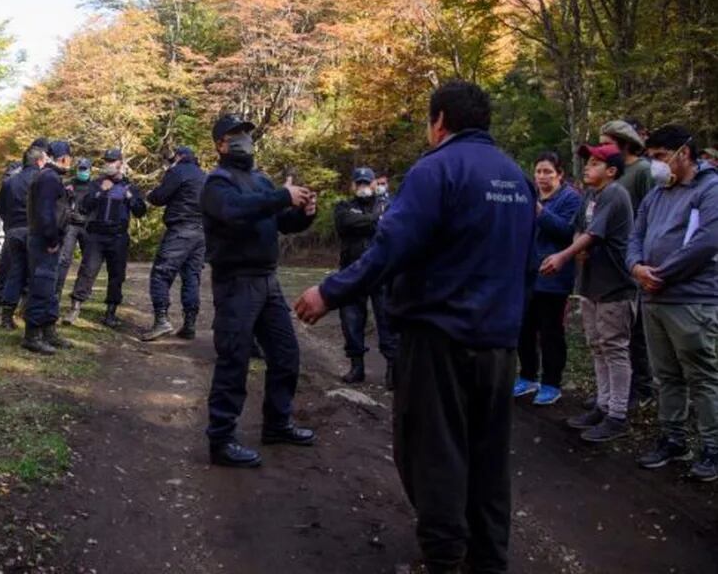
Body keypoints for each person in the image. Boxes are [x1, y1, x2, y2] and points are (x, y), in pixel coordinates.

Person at [295, 81, 535, 574]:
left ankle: (443, 559)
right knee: (489, 457)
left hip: (440, 339)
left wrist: (330, 292)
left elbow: (389, 249)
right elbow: (528, 263)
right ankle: (489, 560)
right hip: (499, 343)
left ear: (440, 120)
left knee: (433, 451)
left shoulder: (437, 170)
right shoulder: (517, 177)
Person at [203, 114, 317, 468]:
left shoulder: (260, 179)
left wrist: (304, 212)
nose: (244, 141)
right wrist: (281, 196)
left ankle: (277, 423)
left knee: (285, 354)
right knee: (234, 359)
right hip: (236, 282)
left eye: (247, 134)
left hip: (268, 281)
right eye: (236, 135)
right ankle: (221, 439)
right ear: (221, 144)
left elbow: (281, 222)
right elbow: (235, 213)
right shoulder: (216, 184)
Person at [628, 125, 718, 482]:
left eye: (660, 157)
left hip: (691, 299)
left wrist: (661, 273)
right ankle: (673, 437)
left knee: (702, 374)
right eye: (652, 159)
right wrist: (636, 267)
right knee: (666, 375)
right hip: (653, 299)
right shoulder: (656, 195)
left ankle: (712, 446)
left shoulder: (709, 190)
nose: (656, 166)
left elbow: (707, 242)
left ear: (684, 152)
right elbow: (635, 234)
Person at [541, 143, 635, 442]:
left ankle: (617, 414)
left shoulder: (615, 194)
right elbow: (578, 228)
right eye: (588, 162)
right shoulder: (590, 196)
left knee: (614, 347)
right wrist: (576, 248)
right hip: (591, 283)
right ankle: (603, 404)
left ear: (611, 171)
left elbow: (594, 234)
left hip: (615, 285)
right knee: (597, 345)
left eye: (595, 163)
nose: (587, 167)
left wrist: (564, 256)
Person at [514, 152, 582, 406]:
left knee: (551, 331)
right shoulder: (529, 197)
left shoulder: (570, 199)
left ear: (560, 174)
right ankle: (527, 375)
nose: (542, 177)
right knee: (524, 329)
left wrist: (541, 212)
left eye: (547, 172)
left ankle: (552, 382)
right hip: (527, 274)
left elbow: (568, 232)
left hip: (554, 276)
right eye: (538, 172)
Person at [603, 120, 656, 409]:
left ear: (623, 142)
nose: (603, 147)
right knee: (616, 330)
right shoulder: (613, 174)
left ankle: (643, 387)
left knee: (634, 329)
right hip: (612, 259)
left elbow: (652, 210)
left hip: (636, 256)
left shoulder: (643, 171)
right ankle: (615, 390)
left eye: (608, 141)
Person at [65, 148, 146, 328]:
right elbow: (84, 208)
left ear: (120, 163)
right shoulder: (96, 184)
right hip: (96, 235)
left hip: (118, 236)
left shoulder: (129, 186)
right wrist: (100, 192)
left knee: (117, 275)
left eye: (112, 161)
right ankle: (75, 308)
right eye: (106, 161)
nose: (109, 164)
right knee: (87, 271)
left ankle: (110, 313)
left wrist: (130, 197)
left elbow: (140, 212)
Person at [333, 166, 398, 386]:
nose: (362, 187)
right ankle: (356, 366)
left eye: (366, 182)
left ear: (373, 184)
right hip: (352, 271)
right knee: (351, 320)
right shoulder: (344, 207)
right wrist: (375, 220)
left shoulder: (387, 205)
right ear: (352, 185)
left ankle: (393, 369)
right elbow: (345, 223)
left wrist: (373, 219)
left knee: (387, 320)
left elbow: (392, 226)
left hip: (381, 273)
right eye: (358, 183)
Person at [142, 145, 206, 342]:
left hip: (180, 230)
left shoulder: (178, 172)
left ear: (179, 157)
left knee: (161, 273)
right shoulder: (205, 176)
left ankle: (161, 320)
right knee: (191, 276)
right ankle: (189, 324)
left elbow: (160, 198)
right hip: (201, 233)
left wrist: (150, 193)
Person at [22, 140, 74, 354]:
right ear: (62, 157)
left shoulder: (50, 178)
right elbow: (45, 213)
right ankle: (33, 335)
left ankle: (48, 330)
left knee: (50, 288)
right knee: (42, 286)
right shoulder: (49, 178)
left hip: (46, 239)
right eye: (69, 157)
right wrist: (52, 240)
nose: (70, 162)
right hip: (44, 241)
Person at [0, 142, 47, 329]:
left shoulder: (10, 181)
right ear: (40, 161)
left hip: (14, 231)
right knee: (37, 275)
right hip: (35, 231)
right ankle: (32, 316)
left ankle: (6, 315)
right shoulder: (43, 179)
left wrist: (11, 222)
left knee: (15, 272)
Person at [53, 156, 92, 315]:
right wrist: (68, 214)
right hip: (70, 225)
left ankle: (78, 300)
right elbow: (60, 204)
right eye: (80, 169)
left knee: (89, 263)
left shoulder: (95, 187)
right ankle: (55, 295)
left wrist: (87, 218)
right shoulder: (68, 184)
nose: (82, 171)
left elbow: (99, 208)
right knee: (63, 260)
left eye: (85, 169)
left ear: (90, 170)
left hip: (88, 227)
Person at [0, 160, 23, 323]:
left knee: (17, 270)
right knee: (6, 269)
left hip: (17, 228)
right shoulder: (11, 182)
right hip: (9, 229)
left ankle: (14, 307)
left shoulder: (26, 181)